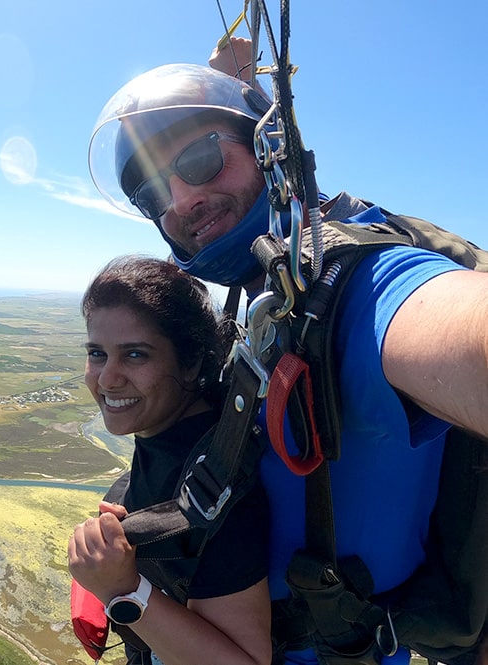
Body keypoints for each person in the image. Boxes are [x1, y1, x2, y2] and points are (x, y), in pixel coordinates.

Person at [86, 37, 488, 665]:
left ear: (269, 151)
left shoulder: (356, 291)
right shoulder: (260, 293)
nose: (180, 202)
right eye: (153, 198)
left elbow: (459, 330)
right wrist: (229, 82)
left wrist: (124, 594)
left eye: (197, 160)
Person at [67, 255, 271, 665]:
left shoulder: (218, 487)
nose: (107, 378)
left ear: (192, 361)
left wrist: (122, 589)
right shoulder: (171, 441)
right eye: (97, 353)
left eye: (136, 355)